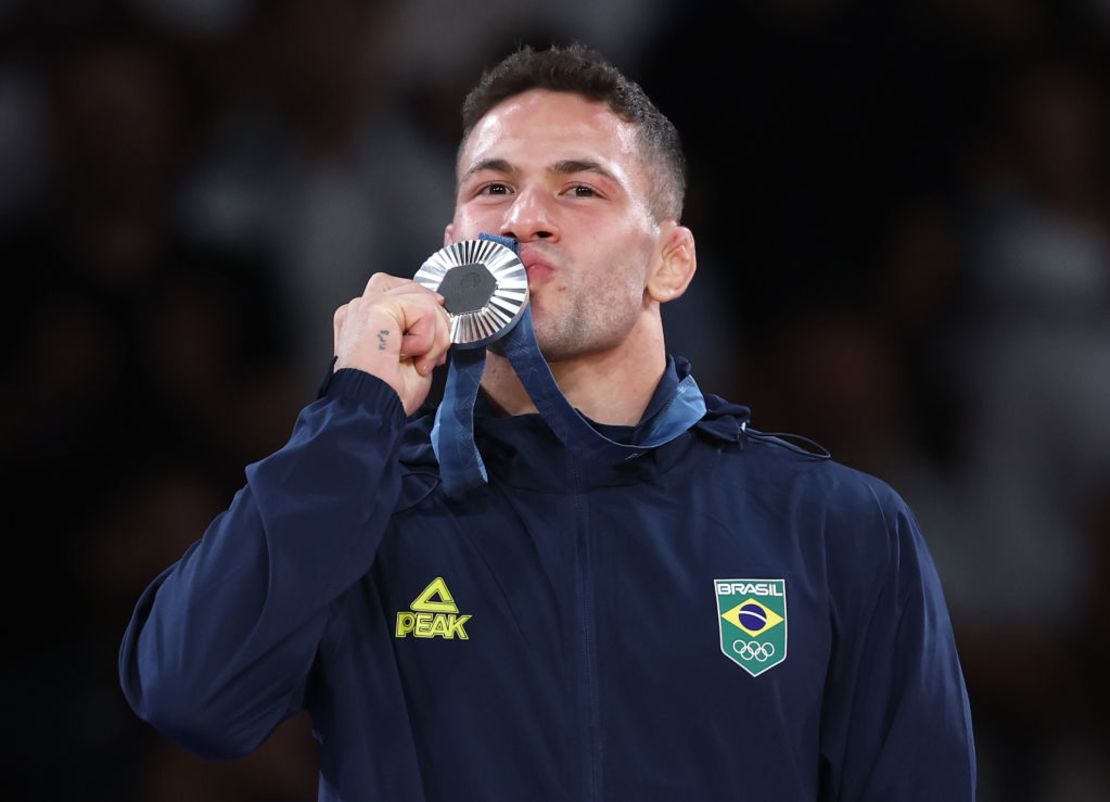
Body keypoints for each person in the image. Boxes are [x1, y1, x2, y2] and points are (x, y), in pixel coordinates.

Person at [119, 43, 976, 801]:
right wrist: (356, 408)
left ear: (670, 262)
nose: (525, 217)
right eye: (494, 188)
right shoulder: (362, 507)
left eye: (580, 187)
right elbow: (191, 697)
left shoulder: (833, 525)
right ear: (453, 243)